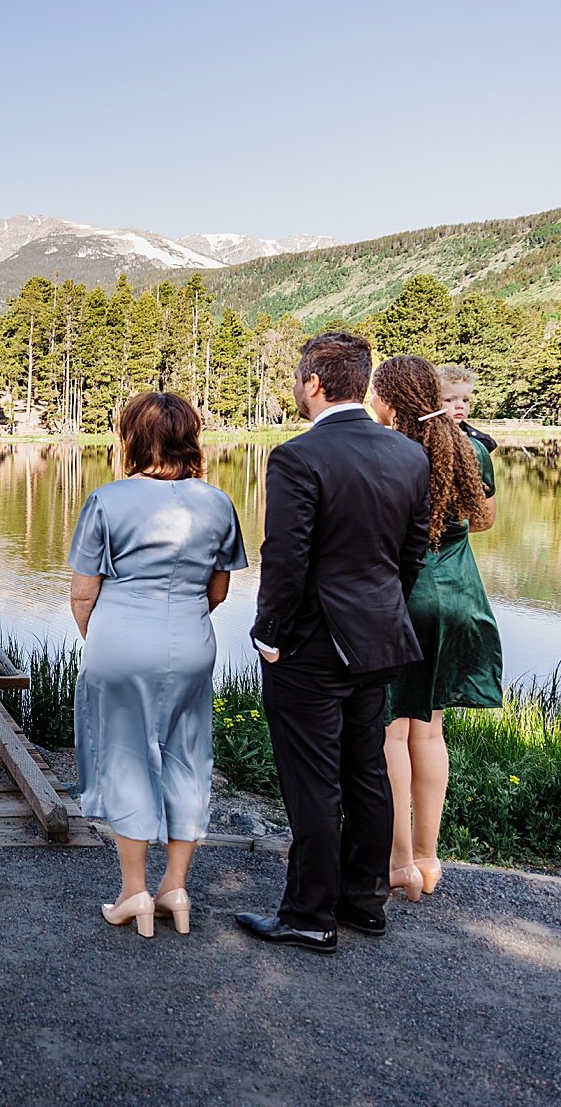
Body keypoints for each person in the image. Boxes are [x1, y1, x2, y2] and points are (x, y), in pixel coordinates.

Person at [237, 332, 431, 955]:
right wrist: (381, 614)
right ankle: (363, 901)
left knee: (314, 779)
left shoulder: (298, 456)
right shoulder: (408, 456)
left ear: (315, 383)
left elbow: (285, 559)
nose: (296, 386)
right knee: (366, 770)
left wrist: (270, 634)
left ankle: (308, 916)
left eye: (299, 377)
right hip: (378, 640)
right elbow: (411, 555)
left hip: (311, 647)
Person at [68, 393, 246, 938]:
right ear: (189, 438)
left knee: (125, 757)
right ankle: (175, 886)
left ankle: (133, 892)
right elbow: (219, 588)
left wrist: (103, 637)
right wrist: (183, 619)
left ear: (132, 439)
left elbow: (82, 594)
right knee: (187, 756)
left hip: (120, 638)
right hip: (191, 641)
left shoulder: (106, 500)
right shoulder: (217, 503)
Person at [373, 356, 502, 899]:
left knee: (392, 732)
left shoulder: (393, 454)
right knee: (431, 729)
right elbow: (486, 519)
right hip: (462, 598)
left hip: (407, 600)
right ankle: (429, 860)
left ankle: (398, 860)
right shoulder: (470, 448)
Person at [437, 365, 498, 453]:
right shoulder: (421, 438)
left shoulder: (480, 441)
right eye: (449, 400)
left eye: (465, 400)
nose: (460, 406)